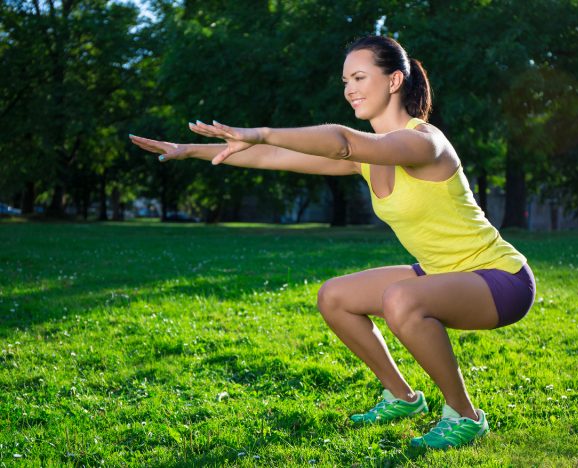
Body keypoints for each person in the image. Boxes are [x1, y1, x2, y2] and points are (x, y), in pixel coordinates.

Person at [129, 35, 536, 450]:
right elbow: (272, 158)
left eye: (359, 77)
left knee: (401, 298)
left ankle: (465, 416)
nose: (349, 90)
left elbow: (341, 142)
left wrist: (263, 131)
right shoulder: (367, 157)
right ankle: (402, 397)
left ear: (394, 81)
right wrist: (189, 150)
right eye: (345, 81)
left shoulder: (425, 141)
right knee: (335, 296)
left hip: (500, 279)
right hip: (442, 273)